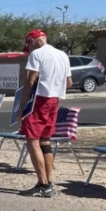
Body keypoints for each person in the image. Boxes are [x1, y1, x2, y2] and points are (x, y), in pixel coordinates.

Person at [14, 29, 72, 197]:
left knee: (32, 141)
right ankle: (48, 181)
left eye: (29, 45)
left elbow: (31, 80)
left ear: (32, 41)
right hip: (55, 100)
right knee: (45, 141)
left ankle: (43, 184)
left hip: (39, 101)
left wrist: (21, 107)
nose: (29, 49)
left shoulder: (37, 54)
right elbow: (69, 82)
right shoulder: (63, 55)